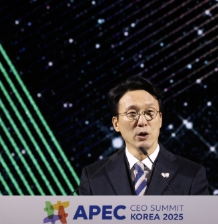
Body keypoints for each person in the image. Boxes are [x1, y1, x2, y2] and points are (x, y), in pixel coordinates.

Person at [78, 76, 209, 195]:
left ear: (160, 119)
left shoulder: (191, 174)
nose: (142, 122)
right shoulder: (93, 177)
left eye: (149, 113)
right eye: (132, 113)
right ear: (116, 123)